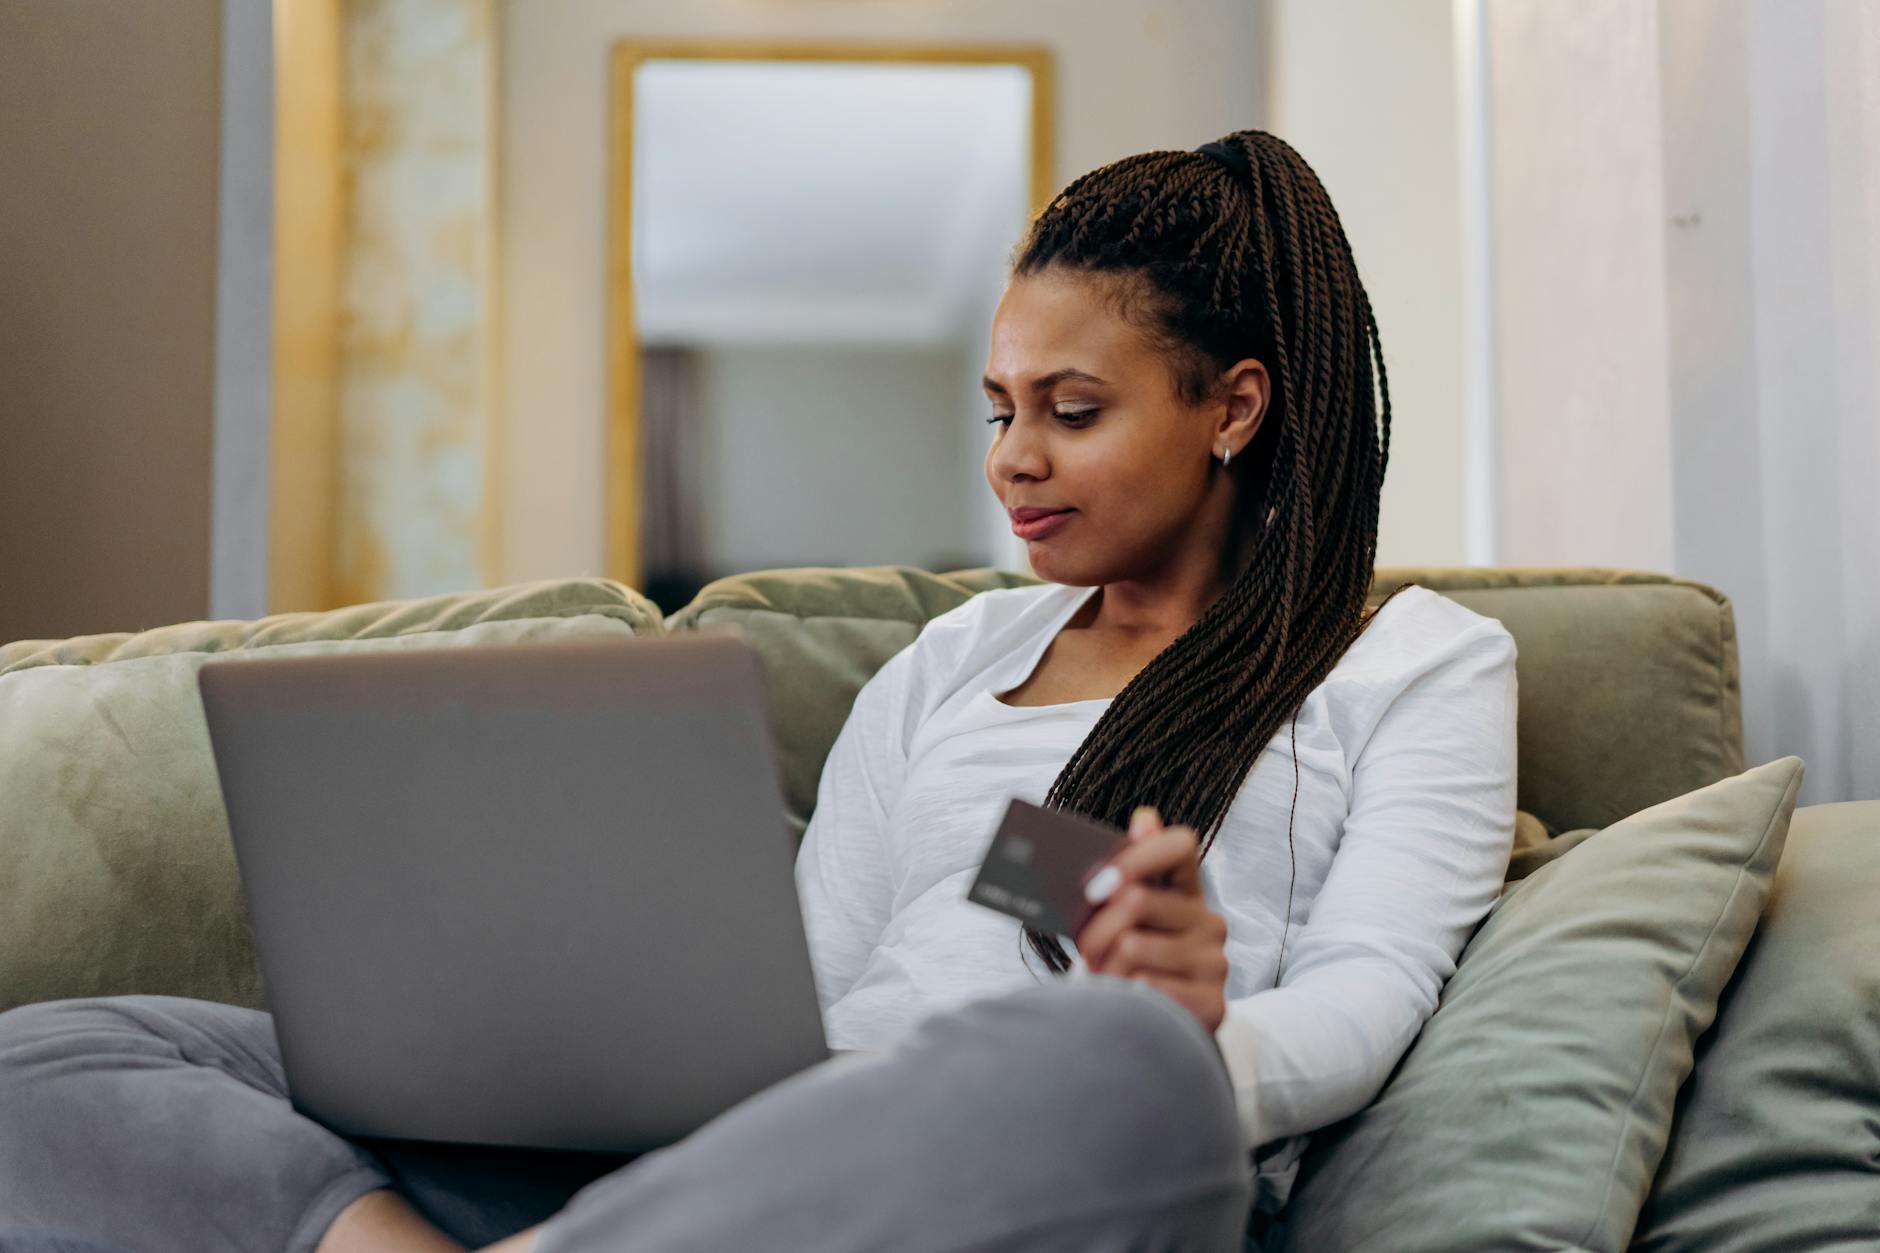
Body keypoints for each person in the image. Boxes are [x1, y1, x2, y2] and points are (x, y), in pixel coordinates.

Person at [0, 129, 1516, 1253]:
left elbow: (1370, 999)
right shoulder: (949, 665)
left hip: (1042, 1166)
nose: (1013, 461)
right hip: (740, 1172)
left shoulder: (1414, 666)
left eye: (1073, 409)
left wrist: (1196, 1028)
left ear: (1234, 406)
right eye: (998, 410)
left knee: (1112, 1064)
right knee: (62, 1051)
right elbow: (812, 988)